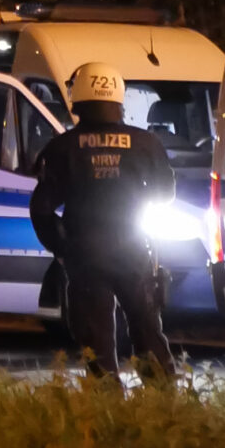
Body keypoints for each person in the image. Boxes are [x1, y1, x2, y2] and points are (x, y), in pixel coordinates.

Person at [28, 62, 179, 379]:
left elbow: (41, 209)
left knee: (95, 344)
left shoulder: (61, 148)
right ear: (118, 99)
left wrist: (62, 247)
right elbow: (165, 195)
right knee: (148, 333)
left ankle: (104, 410)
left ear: (78, 97)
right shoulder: (146, 144)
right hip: (136, 252)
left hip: (85, 257)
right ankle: (164, 407)